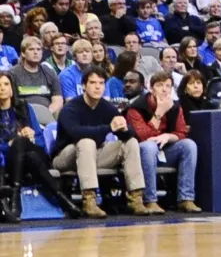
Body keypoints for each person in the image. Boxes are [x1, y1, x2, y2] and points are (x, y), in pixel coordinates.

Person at [53, 67, 153, 218]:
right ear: (84, 86)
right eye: (93, 83)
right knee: (86, 142)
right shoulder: (71, 108)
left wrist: (125, 128)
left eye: (101, 83)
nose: (97, 87)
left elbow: (129, 134)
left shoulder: (107, 107)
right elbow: (75, 132)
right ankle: (89, 201)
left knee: (130, 142)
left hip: (93, 156)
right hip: (65, 157)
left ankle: (135, 198)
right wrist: (109, 128)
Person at [0, 72, 79, 220]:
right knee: (25, 150)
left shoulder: (25, 108)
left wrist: (31, 138)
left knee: (23, 144)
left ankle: (15, 199)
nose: (2, 88)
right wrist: (8, 144)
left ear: (12, 89)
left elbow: (41, 142)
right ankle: (63, 199)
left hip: (35, 151)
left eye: (6, 84)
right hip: (10, 160)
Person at [126, 70, 200, 213]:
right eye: (160, 85)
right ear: (151, 88)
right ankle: (150, 200)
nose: (164, 89)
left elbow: (182, 132)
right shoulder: (136, 108)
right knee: (149, 147)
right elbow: (143, 136)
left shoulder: (175, 107)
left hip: (165, 150)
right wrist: (159, 114)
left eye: (168, 86)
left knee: (189, 145)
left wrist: (168, 136)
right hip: (140, 154)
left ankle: (186, 199)